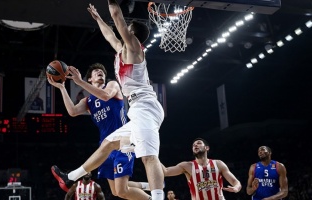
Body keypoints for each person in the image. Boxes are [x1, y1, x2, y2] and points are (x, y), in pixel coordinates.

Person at [51, 1, 165, 199]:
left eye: (127, 30)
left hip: (146, 107)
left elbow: (118, 18)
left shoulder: (135, 49)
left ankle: (157, 196)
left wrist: (113, 4)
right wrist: (98, 19)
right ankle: (70, 177)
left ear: (133, 35)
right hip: (137, 111)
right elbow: (110, 35)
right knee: (107, 144)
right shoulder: (123, 50)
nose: (123, 32)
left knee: (149, 157)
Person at [49, 63, 151, 199]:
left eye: (102, 71)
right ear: (90, 79)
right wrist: (62, 88)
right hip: (105, 147)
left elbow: (105, 96)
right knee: (116, 191)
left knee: (121, 191)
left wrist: (80, 82)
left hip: (123, 141)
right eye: (96, 71)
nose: (100, 72)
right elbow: (72, 111)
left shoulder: (112, 85)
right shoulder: (88, 101)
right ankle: (147, 185)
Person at [161, 138, 242, 200]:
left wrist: (236, 188)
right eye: (193, 145)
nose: (195, 145)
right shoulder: (187, 166)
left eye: (199, 143)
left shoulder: (218, 164)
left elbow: (236, 182)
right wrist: (153, 156)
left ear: (207, 148)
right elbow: (165, 171)